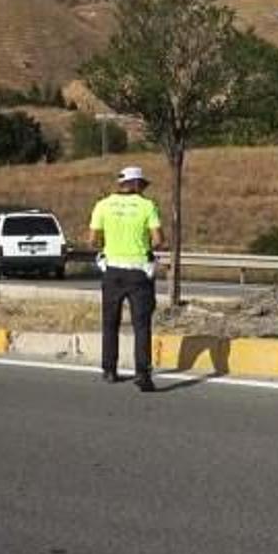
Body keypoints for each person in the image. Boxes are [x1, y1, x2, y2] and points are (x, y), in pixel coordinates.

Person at [89, 166, 164, 392]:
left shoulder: (102, 205)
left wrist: (108, 246)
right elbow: (159, 239)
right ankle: (142, 373)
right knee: (141, 325)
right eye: (141, 185)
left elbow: (92, 239)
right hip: (138, 271)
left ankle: (109, 369)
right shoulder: (147, 206)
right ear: (135, 184)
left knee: (110, 322)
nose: (143, 189)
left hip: (112, 270)